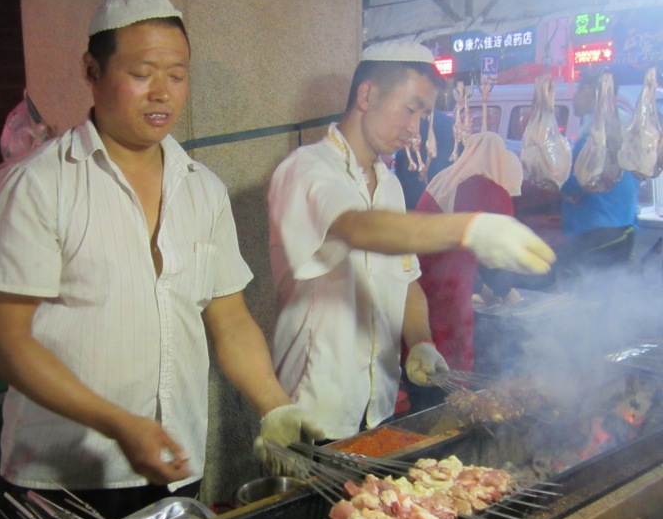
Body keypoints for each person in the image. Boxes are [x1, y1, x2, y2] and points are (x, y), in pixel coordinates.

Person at [0, 0, 320, 519]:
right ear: (91, 70)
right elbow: (5, 341)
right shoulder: (38, 186)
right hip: (67, 476)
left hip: (174, 465)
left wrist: (275, 406)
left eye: (177, 75)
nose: (162, 92)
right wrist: (120, 423)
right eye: (142, 73)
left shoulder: (202, 188)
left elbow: (228, 319)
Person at [267, 39, 556, 441]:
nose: (414, 128)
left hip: (378, 406)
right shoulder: (306, 169)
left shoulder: (388, 185)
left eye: (422, 115)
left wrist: (420, 340)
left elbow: (406, 280)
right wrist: (470, 229)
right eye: (410, 108)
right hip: (313, 412)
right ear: (367, 95)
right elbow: (356, 228)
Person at [415, 131, 524, 372]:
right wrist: (504, 290)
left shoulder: (445, 178)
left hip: (418, 279)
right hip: (449, 287)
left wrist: (479, 287)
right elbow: (495, 256)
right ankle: (448, 402)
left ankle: (425, 398)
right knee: (449, 355)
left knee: (421, 348)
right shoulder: (490, 190)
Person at [558, 72, 640, 281]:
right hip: (623, 226)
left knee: (580, 294)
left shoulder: (596, 133)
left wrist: (562, 187)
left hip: (597, 231)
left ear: (587, 90)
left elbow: (580, 181)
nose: (574, 99)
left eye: (577, 91)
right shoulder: (624, 122)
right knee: (606, 296)